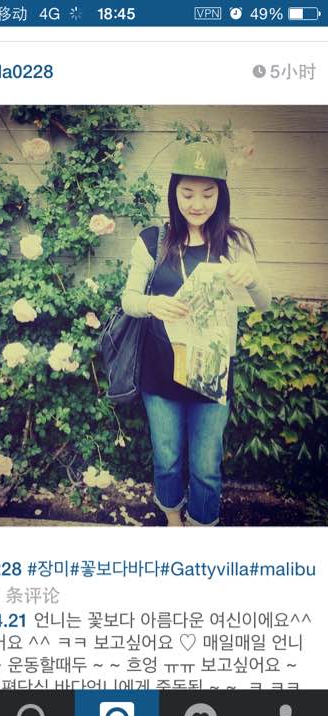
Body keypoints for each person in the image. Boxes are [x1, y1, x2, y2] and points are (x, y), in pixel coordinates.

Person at [121, 141, 272, 527]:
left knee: (206, 466)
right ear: (174, 191)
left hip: (212, 374)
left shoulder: (232, 244)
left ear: (221, 195)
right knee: (167, 458)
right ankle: (173, 520)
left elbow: (264, 303)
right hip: (161, 373)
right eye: (187, 193)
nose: (197, 203)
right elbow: (129, 300)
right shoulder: (153, 240)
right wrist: (153, 304)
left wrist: (253, 279)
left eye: (208, 193)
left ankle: (201, 526)